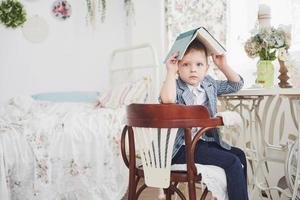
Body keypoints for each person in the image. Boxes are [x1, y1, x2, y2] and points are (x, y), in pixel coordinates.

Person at [160, 39, 248, 200]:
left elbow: (236, 85)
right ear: (178, 67)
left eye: (199, 64)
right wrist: (170, 72)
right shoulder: (175, 86)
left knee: (240, 155)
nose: (193, 69)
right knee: (232, 162)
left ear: (206, 68)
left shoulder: (209, 84)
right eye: (186, 64)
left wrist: (223, 66)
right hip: (182, 148)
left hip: (204, 142)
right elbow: (167, 100)